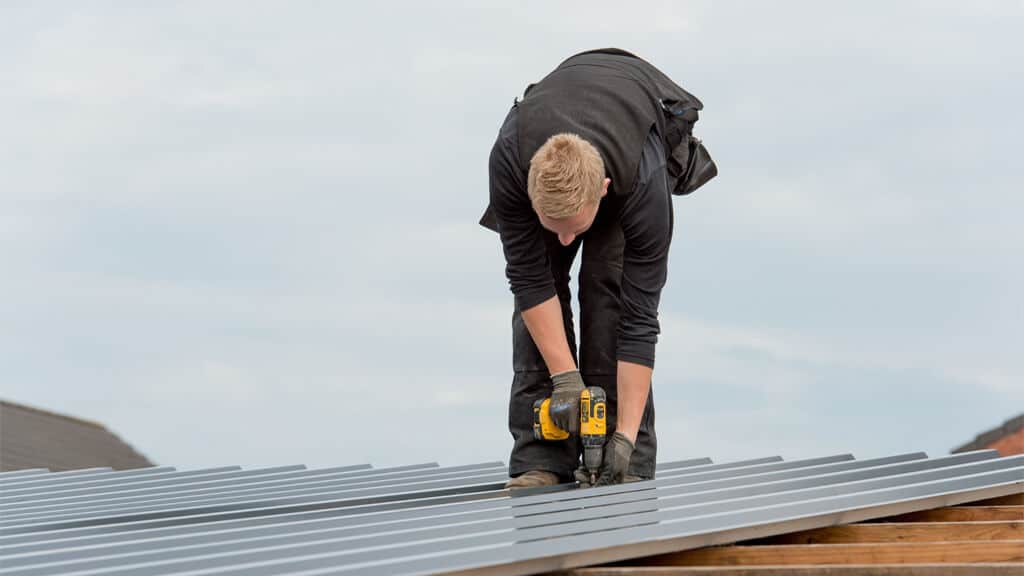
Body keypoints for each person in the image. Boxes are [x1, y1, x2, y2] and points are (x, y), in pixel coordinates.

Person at [480, 48, 717, 488]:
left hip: (633, 125)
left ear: (603, 192)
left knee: (607, 287)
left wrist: (624, 434)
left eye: (575, 229)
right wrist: (565, 381)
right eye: (557, 229)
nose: (567, 241)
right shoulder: (510, 164)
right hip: (553, 130)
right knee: (536, 290)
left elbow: (640, 319)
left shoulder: (641, 187)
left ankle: (623, 456)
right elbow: (532, 282)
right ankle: (541, 458)